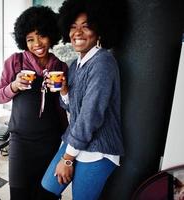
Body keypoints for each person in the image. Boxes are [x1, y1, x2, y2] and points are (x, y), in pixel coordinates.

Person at [41, 0, 125, 199]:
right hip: (76, 141)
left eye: (85, 26)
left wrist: (68, 159)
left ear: (99, 31)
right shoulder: (75, 63)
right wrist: (64, 91)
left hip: (98, 149)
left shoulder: (103, 62)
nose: (77, 33)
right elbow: (72, 108)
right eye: (72, 26)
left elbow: (90, 115)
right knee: (47, 188)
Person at [0, 6, 68, 200]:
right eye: (30, 39)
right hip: (21, 143)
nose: (37, 43)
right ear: (23, 41)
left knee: (46, 195)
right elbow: (0, 96)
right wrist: (15, 85)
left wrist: (64, 90)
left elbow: (68, 105)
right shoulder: (15, 62)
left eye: (42, 35)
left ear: (51, 35)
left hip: (50, 142)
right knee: (19, 194)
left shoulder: (60, 67)